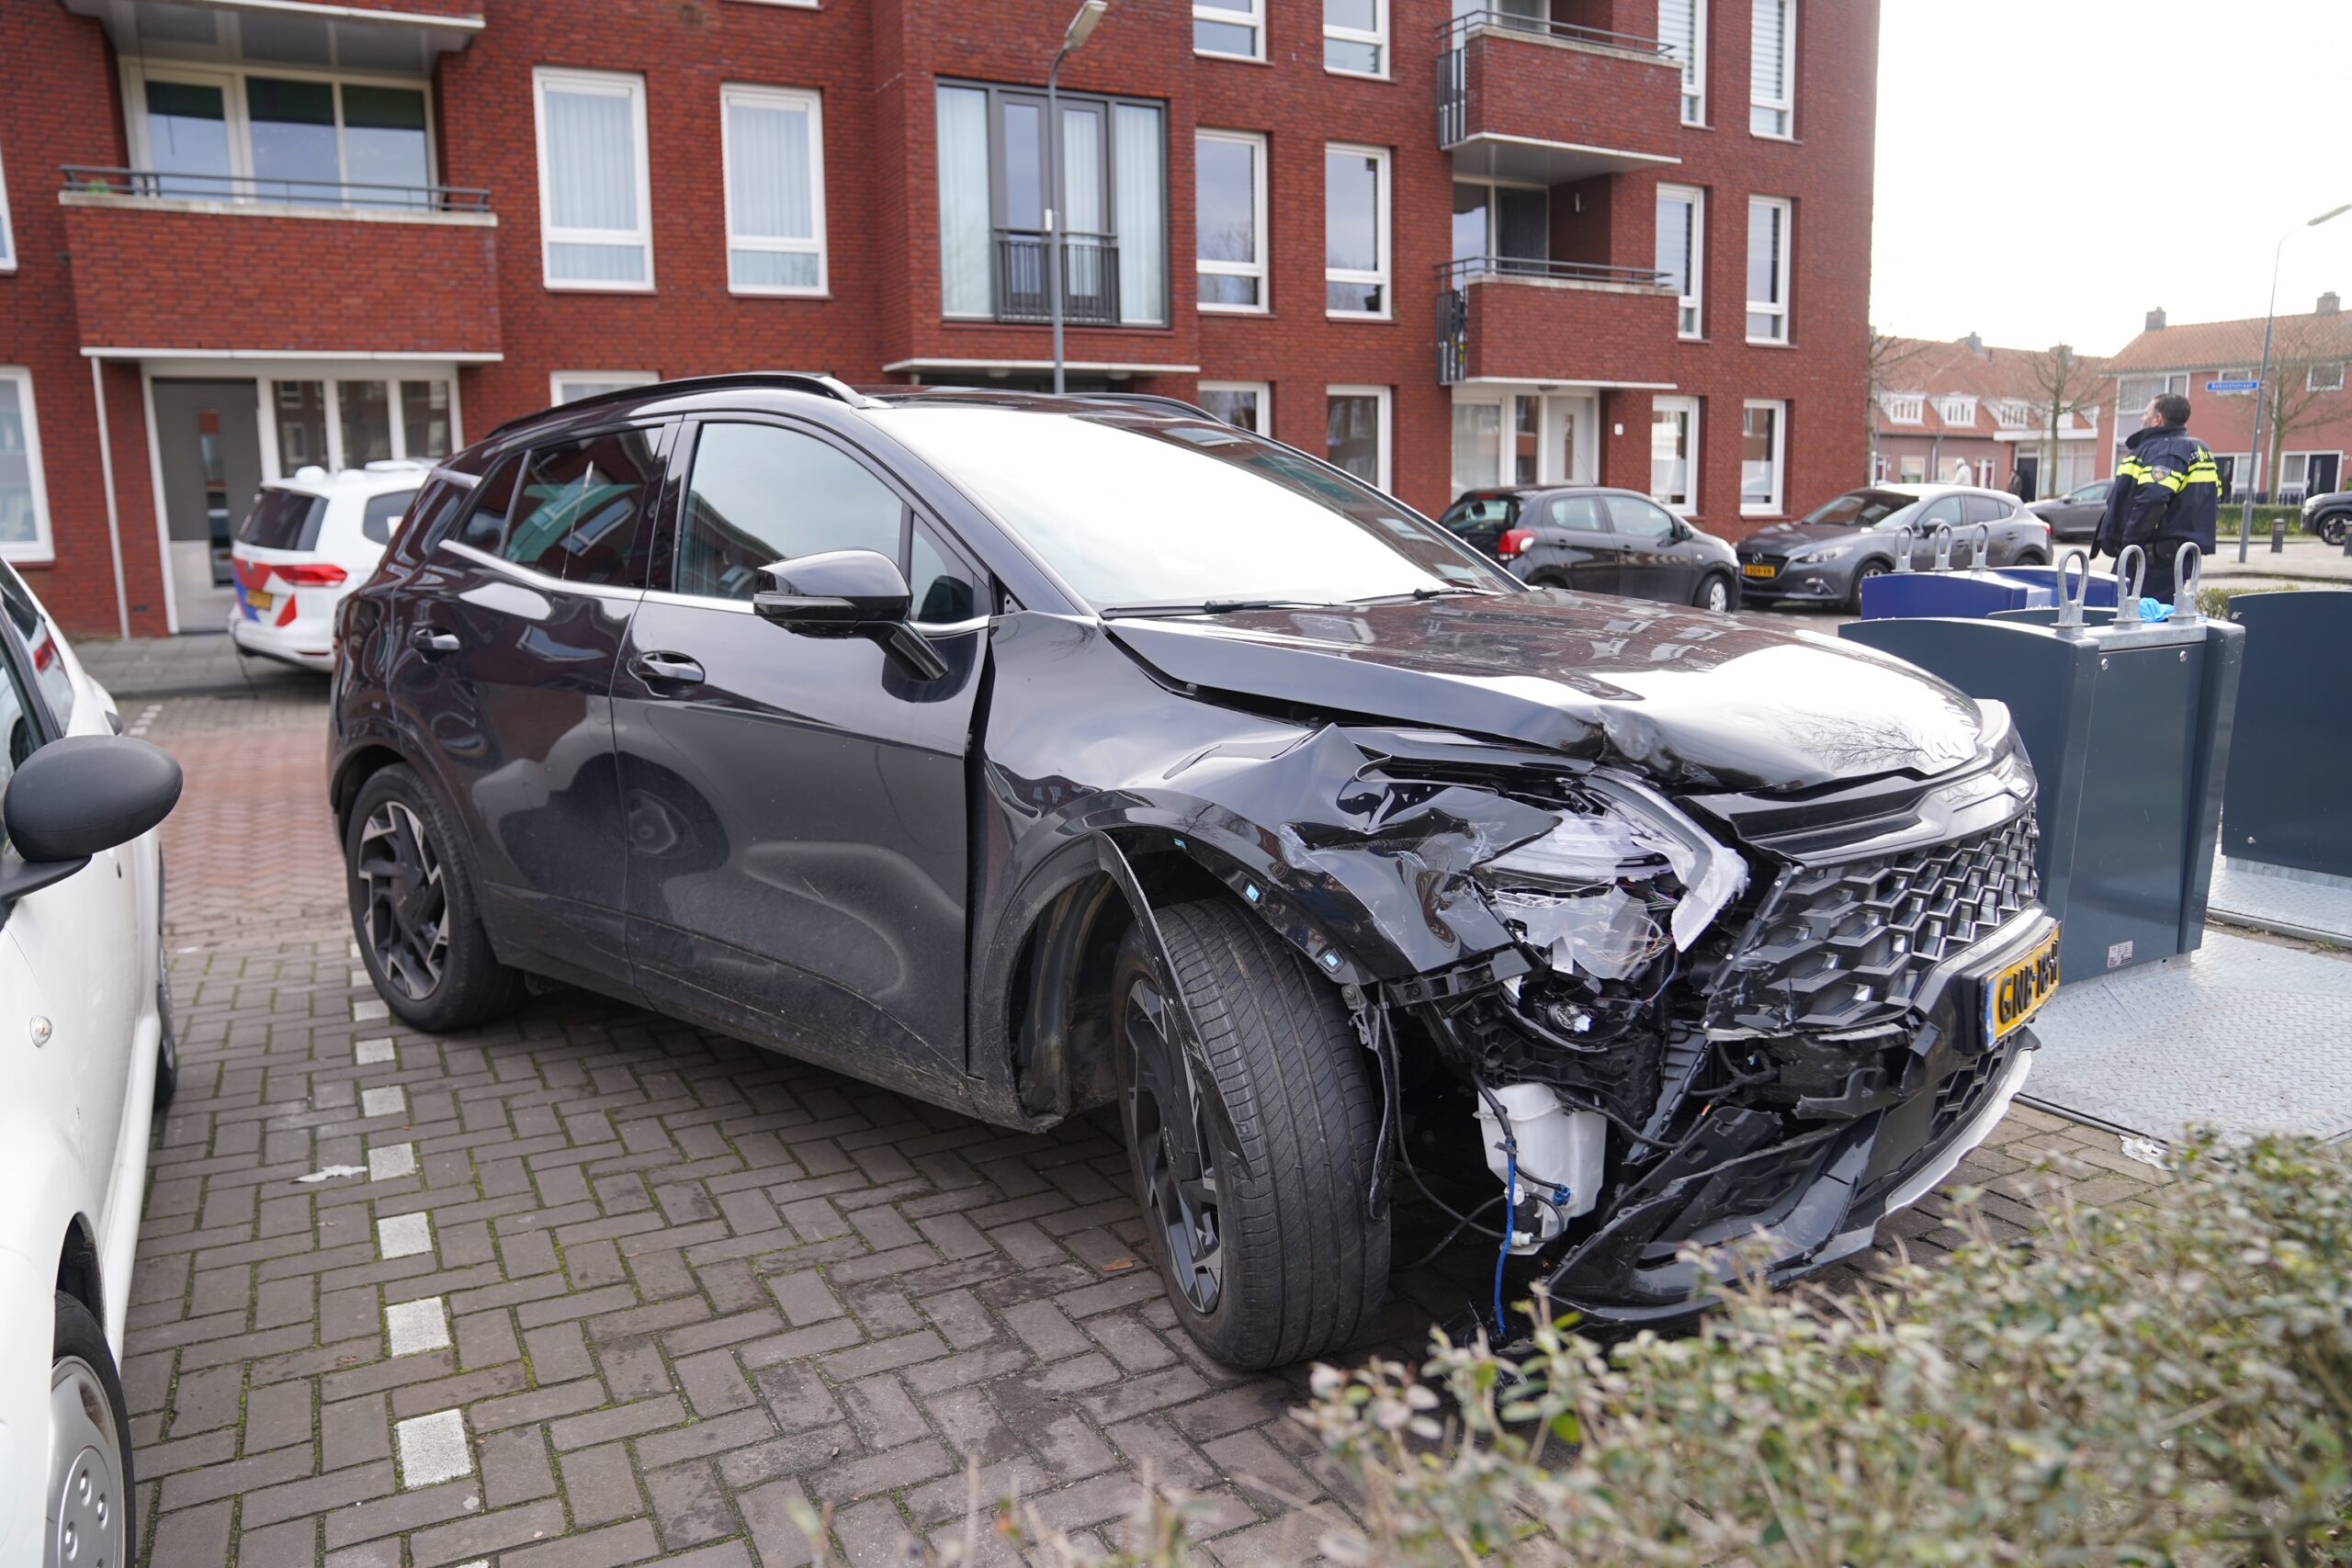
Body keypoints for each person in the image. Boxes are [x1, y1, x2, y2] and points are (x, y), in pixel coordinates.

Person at [2095, 391, 2219, 602]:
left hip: (2150, 561)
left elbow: (2152, 500)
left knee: (2125, 613)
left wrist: (2129, 546)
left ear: (2158, 419)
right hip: (2172, 559)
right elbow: (2213, 499)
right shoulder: (2200, 450)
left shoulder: (2165, 450)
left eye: (2146, 413)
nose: (2142, 418)